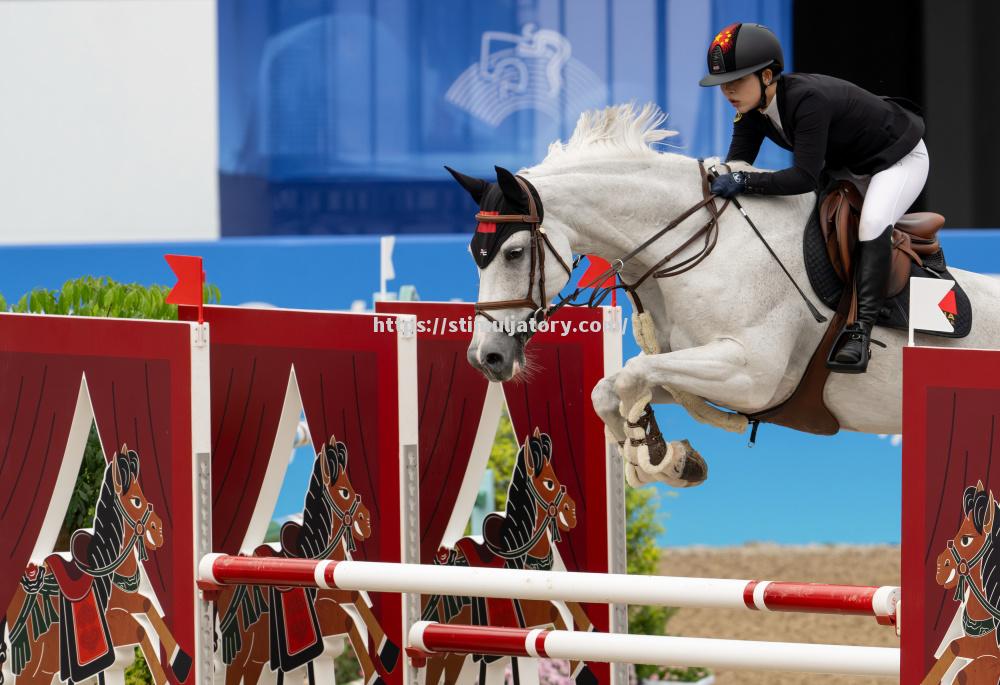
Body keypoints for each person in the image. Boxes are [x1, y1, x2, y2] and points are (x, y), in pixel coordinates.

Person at [699, 22, 928, 374]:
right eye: (723, 83)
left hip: (898, 158)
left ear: (767, 76)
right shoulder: (751, 111)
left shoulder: (808, 101)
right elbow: (737, 166)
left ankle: (860, 332)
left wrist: (742, 181)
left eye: (737, 80)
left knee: (871, 224)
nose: (728, 90)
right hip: (850, 164)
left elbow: (803, 178)